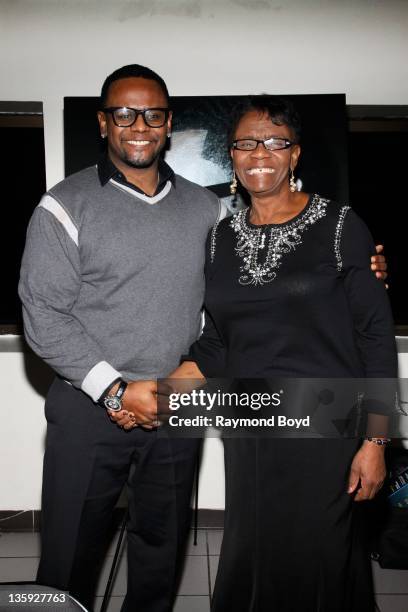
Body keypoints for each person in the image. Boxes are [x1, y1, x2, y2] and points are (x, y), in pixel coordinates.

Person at [167, 96, 397, 612]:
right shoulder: (218, 239)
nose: (260, 153)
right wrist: (155, 390)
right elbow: (219, 339)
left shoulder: (340, 227)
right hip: (249, 427)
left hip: (326, 427)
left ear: (295, 154)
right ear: (232, 154)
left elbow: (376, 336)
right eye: (246, 143)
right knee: (252, 553)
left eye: (275, 142)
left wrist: (376, 440)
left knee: (320, 557)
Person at [18, 64, 221, 612]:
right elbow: (43, 315)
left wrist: (355, 268)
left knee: (162, 544)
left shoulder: (206, 208)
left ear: (168, 123)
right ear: (104, 123)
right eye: (124, 113)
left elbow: (234, 301)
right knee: (70, 551)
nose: (139, 125)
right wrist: (115, 389)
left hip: (176, 402)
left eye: (152, 114)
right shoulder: (64, 204)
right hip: (87, 404)